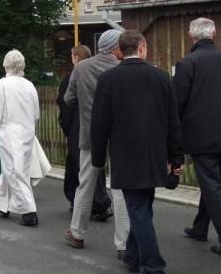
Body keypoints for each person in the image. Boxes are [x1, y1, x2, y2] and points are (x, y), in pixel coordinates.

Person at [91, 30, 184, 274]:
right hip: (154, 154)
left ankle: (152, 264)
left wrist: (98, 158)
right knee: (142, 207)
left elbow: (99, 123)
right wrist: (176, 157)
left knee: (139, 209)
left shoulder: (108, 79)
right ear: (142, 48)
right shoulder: (162, 78)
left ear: (120, 50)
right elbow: (173, 121)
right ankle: (134, 256)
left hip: (125, 155)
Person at [64, 29, 130, 255]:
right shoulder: (122, 68)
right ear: (115, 47)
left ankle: (77, 233)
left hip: (90, 134)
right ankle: (123, 244)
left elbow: (68, 99)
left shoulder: (81, 68)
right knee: (120, 189)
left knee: (86, 185)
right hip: (119, 136)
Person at [173, 18, 221, 256]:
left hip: (200, 135)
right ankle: (199, 227)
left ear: (190, 36)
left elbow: (178, 102)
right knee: (213, 182)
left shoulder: (187, 63)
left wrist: (174, 135)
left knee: (211, 186)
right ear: (215, 34)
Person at [0, 49, 41, 227]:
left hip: (9, 132)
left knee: (13, 171)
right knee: (15, 169)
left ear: (5, 64)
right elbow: (36, 113)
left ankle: (29, 211)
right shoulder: (29, 85)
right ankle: (2, 203)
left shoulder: (2, 85)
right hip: (26, 131)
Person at [57, 44, 92, 209]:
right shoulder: (96, 73)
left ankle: (80, 199)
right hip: (93, 124)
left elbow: (65, 102)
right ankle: (95, 200)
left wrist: (65, 124)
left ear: (76, 58)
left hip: (76, 125)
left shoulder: (73, 77)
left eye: (72, 56)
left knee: (77, 163)